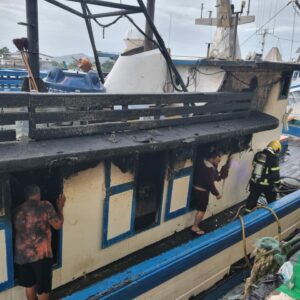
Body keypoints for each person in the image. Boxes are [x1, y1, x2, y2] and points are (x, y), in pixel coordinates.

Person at [14, 185, 66, 300]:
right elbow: (57, 225)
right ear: (39, 194)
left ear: (25, 196)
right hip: (41, 256)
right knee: (43, 290)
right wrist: (60, 208)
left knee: (29, 287)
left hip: (22, 257)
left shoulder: (17, 210)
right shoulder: (45, 205)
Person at [191, 152, 231, 235]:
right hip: (202, 192)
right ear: (212, 158)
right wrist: (217, 194)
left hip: (195, 188)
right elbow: (210, 184)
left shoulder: (203, 163)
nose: (218, 163)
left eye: (219, 161)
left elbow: (215, 177)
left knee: (199, 208)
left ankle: (195, 225)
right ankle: (195, 227)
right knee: (202, 210)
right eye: (217, 161)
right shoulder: (210, 169)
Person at [245, 140, 281, 213]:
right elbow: (275, 176)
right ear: (276, 149)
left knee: (252, 200)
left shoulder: (258, 154)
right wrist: (278, 184)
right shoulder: (274, 158)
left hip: (255, 182)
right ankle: (273, 214)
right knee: (272, 201)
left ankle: (247, 216)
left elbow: (254, 164)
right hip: (267, 185)